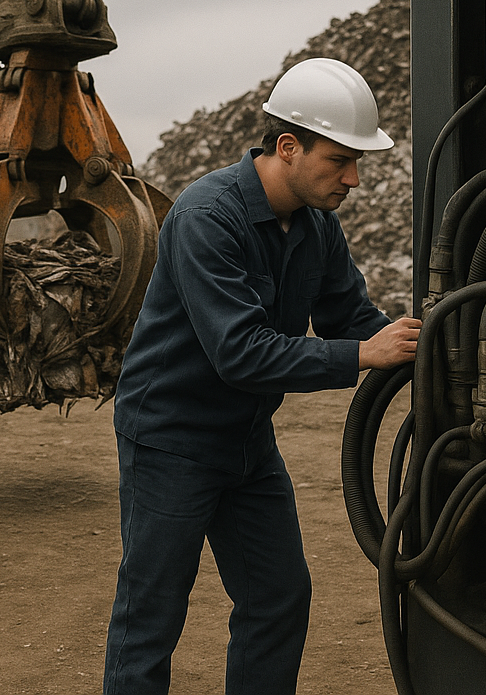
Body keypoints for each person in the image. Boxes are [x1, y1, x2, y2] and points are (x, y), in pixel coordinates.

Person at [103, 57, 421, 694]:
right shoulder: (206, 217)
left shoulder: (316, 224)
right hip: (172, 439)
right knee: (152, 613)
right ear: (288, 147)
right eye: (340, 161)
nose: (354, 179)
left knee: (278, 597)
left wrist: (421, 344)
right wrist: (365, 355)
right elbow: (241, 353)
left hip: (247, 442)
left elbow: (349, 316)